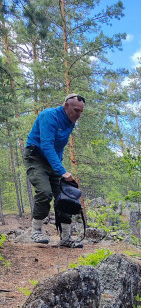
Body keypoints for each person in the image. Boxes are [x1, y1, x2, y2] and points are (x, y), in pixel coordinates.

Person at [24, 93, 86, 248]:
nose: (78, 115)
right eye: (76, 110)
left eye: (81, 111)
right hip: (36, 157)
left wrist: (60, 169)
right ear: (66, 105)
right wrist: (62, 170)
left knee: (65, 195)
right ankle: (36, 231)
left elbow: (59, 147)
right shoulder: (49, 116)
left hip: (53, 160)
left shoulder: (70, 122)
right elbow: (46, 145)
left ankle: (66, 237)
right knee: (45, 192)